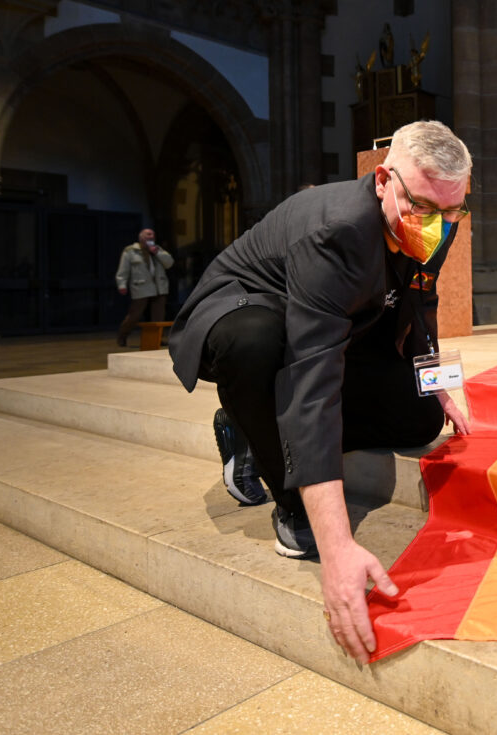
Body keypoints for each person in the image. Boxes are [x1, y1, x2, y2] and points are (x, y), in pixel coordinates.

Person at [168, 120, 472, 663]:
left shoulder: (431, 222)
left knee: (420, 419)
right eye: (425, 207)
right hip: (244, 313)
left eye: (454, 211)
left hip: (331, 322)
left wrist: (439, 384)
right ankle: (285, 491)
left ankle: (252, 423)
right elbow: (314, 383)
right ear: (384, 181)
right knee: (258, 343)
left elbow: (421, 303)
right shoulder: (332, 231)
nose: (439, 226)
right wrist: (337, 553)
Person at [116, 228, 174, 347]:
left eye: (153, 235)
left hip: (159, 287)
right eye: (148, 234)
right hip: (141, 287)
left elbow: (169, 263)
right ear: (141, 237)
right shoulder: (130, 251)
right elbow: (123, 270)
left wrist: (157, 252)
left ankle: (157, 338)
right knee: (135, 314)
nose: (151, 236)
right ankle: (122, 335)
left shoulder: (158, 249)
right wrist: (122, 284)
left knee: (158, 317)